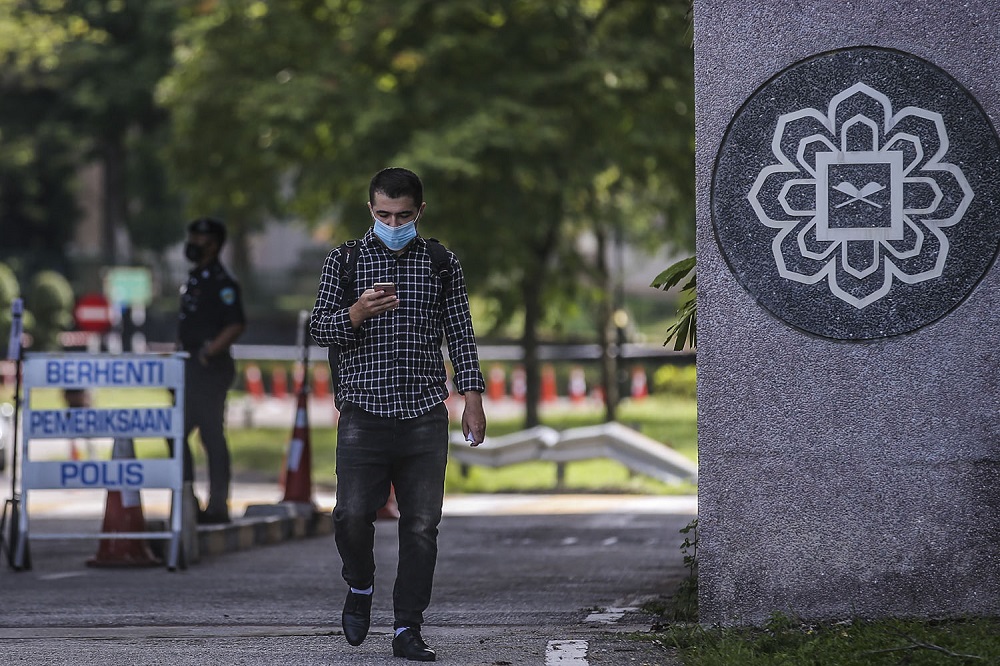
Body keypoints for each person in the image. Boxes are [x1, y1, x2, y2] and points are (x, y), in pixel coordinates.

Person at [310, 167, 486, 662]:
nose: (393, 222)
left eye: (403, 215)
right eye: (384, 214)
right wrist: (357, 313)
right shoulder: (344, 261)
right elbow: (320, 329)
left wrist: (472, 397)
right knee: (350, 515)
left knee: (421, 526)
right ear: (371, 210)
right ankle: (360, 586)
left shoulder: (439, 262)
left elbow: (461, 333)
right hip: (363, 412)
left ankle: (408, 626)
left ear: (419, 212)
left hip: (424, 413)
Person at [176, 217, 246, 524]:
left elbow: (235, 323)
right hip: (189, 365)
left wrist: (208, 352)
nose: (192, 244)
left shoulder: (222, 283)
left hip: (210, 368)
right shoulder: (194, 279)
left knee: (209, 434)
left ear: (214, 244)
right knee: (177, 433)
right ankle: (188, 501)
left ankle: (217, 505)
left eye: (198, 239)